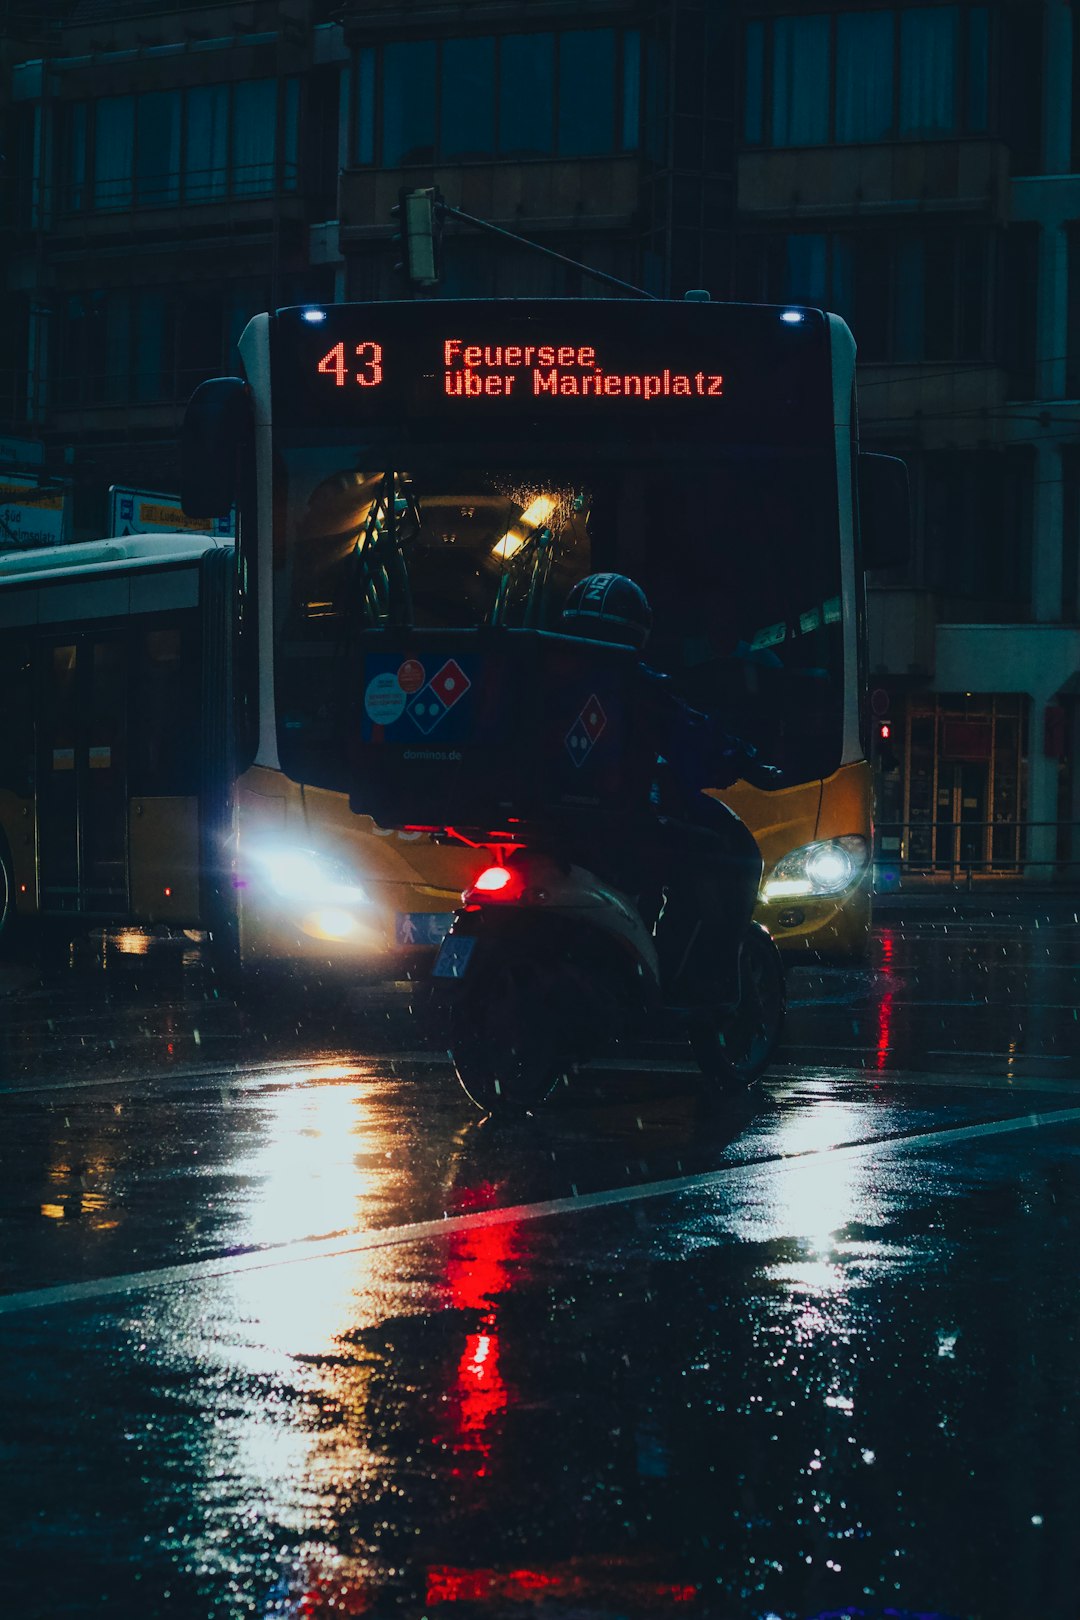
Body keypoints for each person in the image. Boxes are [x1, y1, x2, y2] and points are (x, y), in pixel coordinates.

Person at [560, 571, 774, 1015]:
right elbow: (695, 741)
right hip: (615, 832)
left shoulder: (537, 675)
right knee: (726, 854)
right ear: (639, 629)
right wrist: (745, 759)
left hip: (545, 827)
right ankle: (695, 983)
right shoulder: (636, 685)